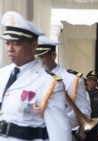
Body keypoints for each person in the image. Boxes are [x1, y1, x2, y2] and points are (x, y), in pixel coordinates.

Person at [0, 11, 71, 140]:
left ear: (34, 45)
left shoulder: (49, 84)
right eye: (7, 43)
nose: (10, 48)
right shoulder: (3, 74)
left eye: (16, 43)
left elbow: (60, 134)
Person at [35, 36, 91, 140]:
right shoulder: (33, 77)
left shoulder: (72, 79)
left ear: (53, 55)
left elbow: (84, 112)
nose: (37, 62)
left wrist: (57, 121)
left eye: (40, 57)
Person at [85, 70, 98, 141]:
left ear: (96, 82)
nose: (91, 83)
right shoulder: (81, 93)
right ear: (87, 81)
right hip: (83, 124)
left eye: (93, 81)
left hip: (95, 126)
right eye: (90, 80)